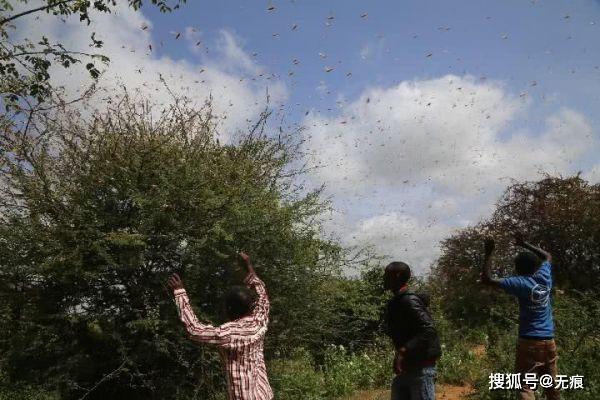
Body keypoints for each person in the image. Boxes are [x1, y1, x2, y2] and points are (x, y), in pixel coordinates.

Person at [166, 252, 273, 400]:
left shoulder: (230, 333)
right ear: (251, 306)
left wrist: (179, 292)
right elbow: (262, 295)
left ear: (229, 310)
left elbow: (195, 330)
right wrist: (248, 266)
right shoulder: (260, 319)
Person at [481, 234, 559, 400]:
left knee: (525, 386)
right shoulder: (544, 277)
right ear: (535, 267)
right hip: (549, 341)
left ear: (517, 269)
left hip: (529, 341)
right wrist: (525, 243)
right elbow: (547, 256)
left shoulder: (520, 283)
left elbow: (487, 280)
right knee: (551, 386)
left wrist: (488, 253)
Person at [384, 261, 442, 400]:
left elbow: (428, 330)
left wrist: (403, 351)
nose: (384, 278)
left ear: (397, 276)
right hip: (407, 368)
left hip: (421, 368)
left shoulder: (409, 300)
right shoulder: (397, 301)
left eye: (387, 274)